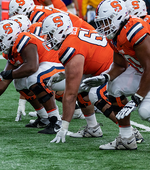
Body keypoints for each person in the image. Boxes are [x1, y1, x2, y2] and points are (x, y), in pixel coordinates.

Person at [42, 12, 143, 146]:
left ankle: (130, 132)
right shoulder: (71, 36)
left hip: (112, 67)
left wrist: (64, 126)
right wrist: (64, 73)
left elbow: (70, 94)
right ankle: (93, 128)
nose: (47, 38)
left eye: (49, 34)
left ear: (59, 31)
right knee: (81, 86)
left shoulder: (69, 46)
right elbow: (86, 58)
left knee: (95, 94)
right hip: (101, 66)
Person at [0, 20, 64, 134]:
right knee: (19, 82)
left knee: (33, 77)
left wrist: (4, 75)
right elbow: (4, 81)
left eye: (0, 40)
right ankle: (44, 117)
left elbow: (31, 67)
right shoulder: (13, 49)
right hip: (50, 71)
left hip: (62, 69)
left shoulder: (24, 39)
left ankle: (56, 121)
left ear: (9, 36)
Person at [80, 0, 149, 149]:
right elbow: (120, 65)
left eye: (106, 21)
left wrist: (137, 98)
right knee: (114, 86)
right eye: (101, 22)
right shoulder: (116, 34)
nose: (103, 26)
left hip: (147, 72)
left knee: (145, 112)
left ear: (118, 17)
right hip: (141, 71)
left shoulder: (134, 30)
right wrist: (105, 77)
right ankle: (126, 139)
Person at [9, 0, 94, 31]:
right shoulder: (34, 10)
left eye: (16, 12)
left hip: (77, 27)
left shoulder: (36, 15)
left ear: (23, 9)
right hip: (73, 25)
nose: (15, 15)